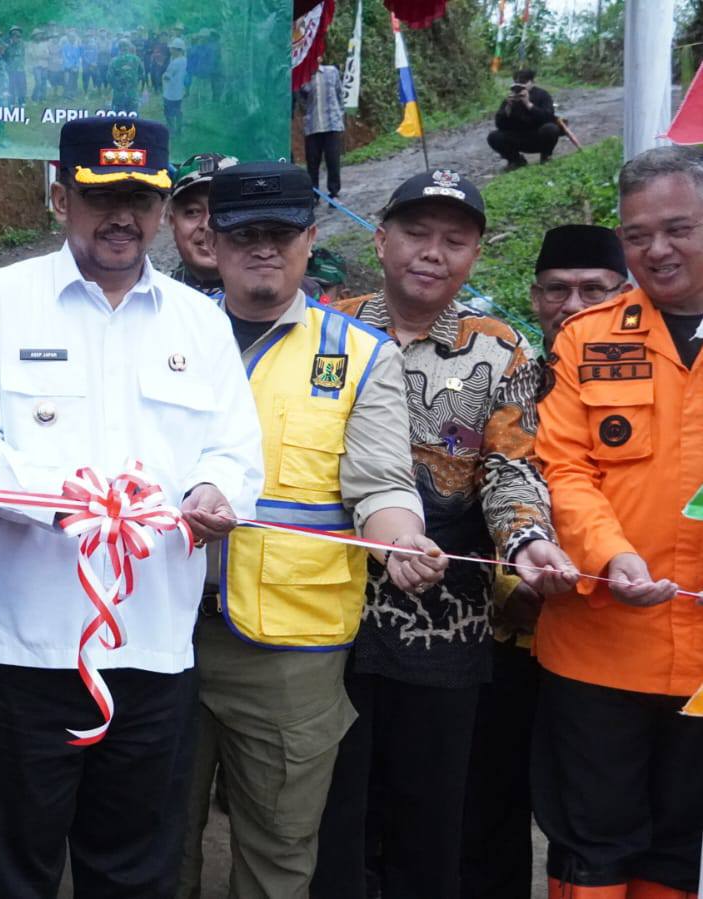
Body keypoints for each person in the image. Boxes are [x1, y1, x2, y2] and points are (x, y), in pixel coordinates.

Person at [0, 114, 262, 898]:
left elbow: (234, 450)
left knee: (134, 870)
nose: (123, 216)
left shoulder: (200, 320)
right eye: (100, 195)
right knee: (8, 870)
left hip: (153, 647)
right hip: (21, 648)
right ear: (59, 197)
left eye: (141, 198)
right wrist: (65, 503)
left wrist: (216, 491)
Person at [176, 161, 445, 899]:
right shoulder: (163, 336)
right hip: (154, 630)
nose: (264, 248)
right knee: (156, 846)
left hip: (290, 651)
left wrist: (400, 539)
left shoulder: (360, 354)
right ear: (212, 239)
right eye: (244, 233)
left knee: (278, 854)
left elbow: (382, 484)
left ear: (309, 238)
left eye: (281, 233)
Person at [313, 171, 578, 899]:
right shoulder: (323, 331)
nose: (432, 253)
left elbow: (511, 467)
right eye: (416, 234)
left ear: (474, 254)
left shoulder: (498, 352)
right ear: (380, 238)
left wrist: (526, 540)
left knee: (429, 816)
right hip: (327, 612)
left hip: (446, 625)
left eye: (453, 240)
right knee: (334, 813)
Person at [532, 145, 703, 899]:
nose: (655, 250)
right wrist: (610, 553)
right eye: (636, 235)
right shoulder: (587, 338)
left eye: (678, 228)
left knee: (679, 849)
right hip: (598, 649)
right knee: (591, 850)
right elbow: (564, 470)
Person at [458, 224, 627, 899]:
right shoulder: (506, 372)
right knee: (487, 800)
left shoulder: (642, 375)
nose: (573, 302)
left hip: (607, 631)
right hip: (503, 627)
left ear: (625, 292)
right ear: (533, 295)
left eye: (594, 287)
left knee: (585, 805)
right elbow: (484, 480)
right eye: (557, 288)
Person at [169, 153, 238, 298]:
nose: (207, 225)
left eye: (221, 210)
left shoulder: (272, 300)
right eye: (192, 212)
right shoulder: (153, 299)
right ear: (172, 221)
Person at [487, 68, 562, 169]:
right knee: (494, 136)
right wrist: (507, 110)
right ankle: (516, 160)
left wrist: (528, 104)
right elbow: (499, 125)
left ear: (532, 82)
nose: (521, 86)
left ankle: (546, 156)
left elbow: (548, 117)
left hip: (538, 136)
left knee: (551, 129)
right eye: (517, 83)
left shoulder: (542, 95)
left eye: (524, 82)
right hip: (518, 137)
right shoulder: (511, 98)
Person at [298, 62, 347, 200]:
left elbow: (339, 94)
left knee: (333, 161)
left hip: (332, 124)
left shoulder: (331, 72)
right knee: (312, 162)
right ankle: (314, 194)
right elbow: (301, 101)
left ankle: (334, 193)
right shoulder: (302, 78)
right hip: (313, 126)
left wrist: (339, 115)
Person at [107, 38, 143, 112]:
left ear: (119, 48)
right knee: (133, 117)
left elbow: (109, 77)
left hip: (119, 95)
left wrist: (117, 86)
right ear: (129, 47)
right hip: (132, 94)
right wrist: (133, 83)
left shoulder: (114, 61)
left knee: (118, 118)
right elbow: (142, 74)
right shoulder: (136, 59)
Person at [161, 38, 188, 138]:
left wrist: (163, 75)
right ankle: (179, 129)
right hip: (179, 91)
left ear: (177, 49)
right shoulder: (184, 60)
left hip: (170, 91)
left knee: (168, 112)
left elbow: (167, 77)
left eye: (172, 49)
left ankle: (171, 130)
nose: (170, 50)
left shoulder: (175, 62)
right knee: (178, 111)